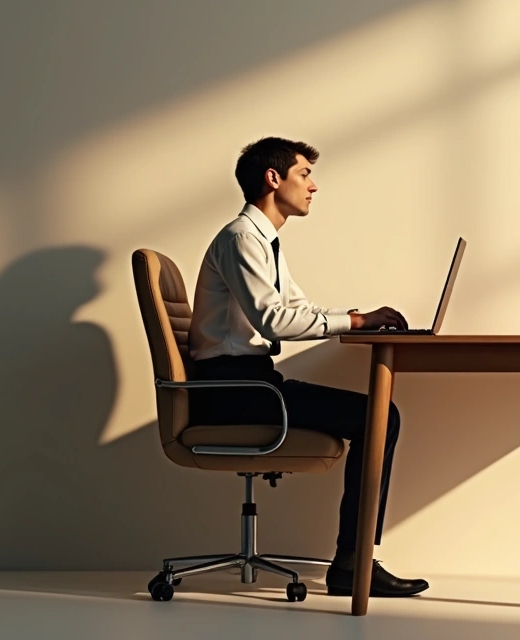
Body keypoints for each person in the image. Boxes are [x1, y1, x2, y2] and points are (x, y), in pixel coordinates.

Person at [186, 136, 429, 598]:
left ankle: (352, 562)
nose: (313, 186)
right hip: (234, 389)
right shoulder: (241, 239)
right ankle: (353, 565)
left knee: (378, 415)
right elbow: (276, 320)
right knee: (379, 416)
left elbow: (298, 308)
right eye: (304, 174)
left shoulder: (264, 241)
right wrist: (359, 320)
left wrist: (359, 317)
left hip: (251, 383)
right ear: (272, 179)